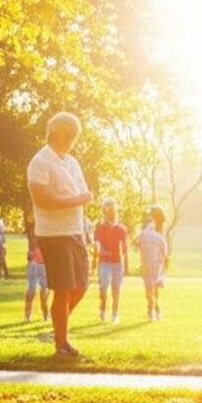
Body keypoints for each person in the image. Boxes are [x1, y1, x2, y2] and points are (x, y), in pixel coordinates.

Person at [27, 112, 93, 359]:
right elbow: (43, 199)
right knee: (64, 288)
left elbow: (81, 193)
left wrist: (83, 205)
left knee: (81, 285)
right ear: (59, 134)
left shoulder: (71, 162)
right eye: (71, 136)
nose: (73, 141)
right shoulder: (40, 162)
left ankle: (58, 330)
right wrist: (77, 200)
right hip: (54, 234)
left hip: (75, 231)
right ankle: (62, 344)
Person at [94, 198, 128, 323]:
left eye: (113, 209)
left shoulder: (121, 229)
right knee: (104, 286)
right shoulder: (100, 228)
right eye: (109, 209)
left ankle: (114, 313)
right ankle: (103, 309)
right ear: (105, 211)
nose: (111, 212)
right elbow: (97, 243)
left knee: (116, 288)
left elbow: (124, 245)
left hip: (117, 262)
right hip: (104, 261)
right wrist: (101, 251)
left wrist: (124, 259)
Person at [138, 205, 169, 322]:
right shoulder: (155, 231)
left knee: (151, 289)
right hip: (154, 262)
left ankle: (152, 310)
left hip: (150, 262)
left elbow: (141, 244)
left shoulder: (149, 231)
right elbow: (164, 250)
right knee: (153, 289)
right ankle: (155, 310)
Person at [24, 219, 49, 322]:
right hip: (34, 263)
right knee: (32, 290)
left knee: (44, 291)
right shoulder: (33, 231)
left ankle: (45, 314)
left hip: (44, 264)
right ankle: (27, 314)